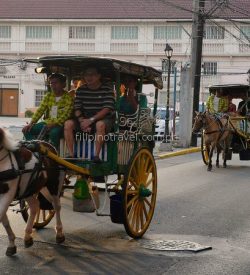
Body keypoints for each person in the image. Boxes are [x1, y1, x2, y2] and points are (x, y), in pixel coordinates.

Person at [64, 66, 115, 160]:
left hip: (102, 118)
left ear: (99, 76)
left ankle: (96, 155)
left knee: (100, 125)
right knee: (68, 124)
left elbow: (107, 109)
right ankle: (71, 155)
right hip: (84, 118)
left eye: (92, 74)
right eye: (86, 75)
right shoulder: (81, 90)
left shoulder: (107, 90)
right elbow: (77, 107)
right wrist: (81, 121)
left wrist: (91, 120)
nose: (89, 77)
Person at [22, 73, 74, 148]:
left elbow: (66, 115)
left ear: (63, 84)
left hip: (60, 124)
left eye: (56, 83)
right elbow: (40, 110)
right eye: (51, 83)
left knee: (54, 133)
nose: (53, 85)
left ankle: (52, 154)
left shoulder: (68, 97)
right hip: (47, 122)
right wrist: (31, 123)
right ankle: (37, 148)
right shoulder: (48, 96)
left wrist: (54, 124)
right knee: (26, 130)